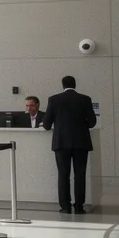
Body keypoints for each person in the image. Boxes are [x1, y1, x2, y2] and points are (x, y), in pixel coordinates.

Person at [43, 76, 97, 214]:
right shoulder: (85, 99)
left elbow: (47, 124)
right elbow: (92, 122)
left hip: (61, 143)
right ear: (75, 84)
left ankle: (65, 206)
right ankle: (79, 206)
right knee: (80, 174)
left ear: (62, 85)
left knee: (63, 174)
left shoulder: (53, 99)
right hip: (81, 142)